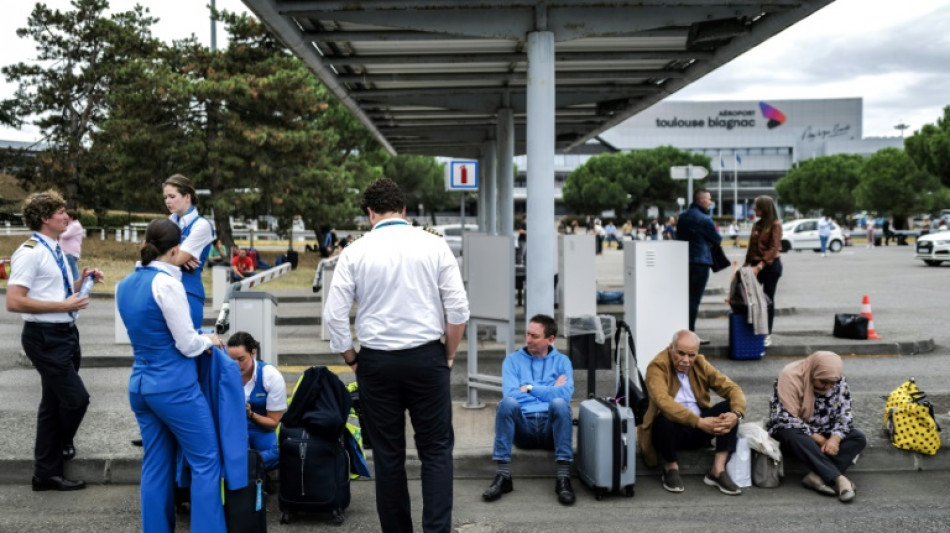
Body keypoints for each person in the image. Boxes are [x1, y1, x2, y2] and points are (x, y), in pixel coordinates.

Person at [324, 178, 470, 533]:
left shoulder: (355, 251)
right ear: (404, 210)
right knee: (435, 451)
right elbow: (459, 310)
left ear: (370, 213)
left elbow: (333, 315)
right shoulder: (434, 244)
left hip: (376, 362)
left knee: (389, 457)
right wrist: (447, 355)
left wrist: (351, 358)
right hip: (426, 358)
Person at [116, 218, 228, 532]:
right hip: (174, 387)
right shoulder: (167, 283)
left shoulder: (124, 284)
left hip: (140, 384)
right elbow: (187, 343)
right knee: (206, 460)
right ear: (176, 248)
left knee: (155, 465)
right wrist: (209, 339)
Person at [6, 190, 103, 491]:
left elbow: (52, 290)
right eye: (61, 212)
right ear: (45, 218)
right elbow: (14, 301)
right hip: (44, 337)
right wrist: (63, 306)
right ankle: (60, 445)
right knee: (76, 399)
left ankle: (46, 473)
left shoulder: (55, 248)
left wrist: (82, 281)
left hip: (65, 334)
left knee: (52, 404)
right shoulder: (30, 251)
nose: (67, 216)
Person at [638, 330, 747, 496]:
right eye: (680, 353)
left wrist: (737, 414)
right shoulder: (657, 366)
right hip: (670, 433)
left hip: (699, 429)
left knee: (728, 409)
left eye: (691, 355)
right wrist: (699, 422)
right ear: (670, 349)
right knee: (664, 418)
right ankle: (670, 466)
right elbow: (663, 401)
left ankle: (717, 470)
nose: (685, 360)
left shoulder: (700, 363)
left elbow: (732, 388)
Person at [482, 314, 575, 506]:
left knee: (559, 404)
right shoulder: (512, 360)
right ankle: (503, 476)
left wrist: (530, 388)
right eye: (528, 334)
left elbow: (565, 396)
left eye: (535, 336)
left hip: (551, 430)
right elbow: (511, 393)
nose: (528, 339)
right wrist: (551, 389)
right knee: (507, 403)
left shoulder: (563, 361)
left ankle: (563, 479)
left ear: (550, 339)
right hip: (524, 428)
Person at [767, 351, 866, 503]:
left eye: (832, 383)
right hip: (795, 430)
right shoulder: (790, 377)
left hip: (825, 431)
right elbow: (784, 417)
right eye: (823, 381)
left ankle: (816, 477)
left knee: (857, 438)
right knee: (791, 434)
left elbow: (845, 415)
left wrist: (834, 439)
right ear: (813, 373)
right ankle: (840, 479)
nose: (828, 386)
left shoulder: (838, 381)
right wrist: (820, 439)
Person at [227, 331, 286, 471]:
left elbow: (273, 423)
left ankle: (244, 468)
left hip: (261, 429)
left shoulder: (271, 376)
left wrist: (251, 415)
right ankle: (254, 469)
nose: (236, 365)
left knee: (278, 453)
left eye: (241, 359)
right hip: (233, 429)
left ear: (253, 353)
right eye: (231, 360)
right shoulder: (223, 373)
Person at [163, 174, 215, 330]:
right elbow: (146, 252)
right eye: (165, 197)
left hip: (188, 292)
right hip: (165, 291)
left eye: (172, 196)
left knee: (188, 349)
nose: (167, 201)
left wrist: (164, 254)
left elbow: (177, 259)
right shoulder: (168, 222)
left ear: (187, 196)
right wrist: (175, 256)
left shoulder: (201, 225)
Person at [676, 189, 722, 340]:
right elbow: (717, 239)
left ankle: (682, 332)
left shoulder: (682, 217)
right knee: (694, 299)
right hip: (700, 262)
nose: (710, 202)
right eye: (709, 199)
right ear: (701, 200)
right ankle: (690, 335)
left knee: (684, 298)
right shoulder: (704, 219)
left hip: (683, 261)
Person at [743, 195, 783, 347]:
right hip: (754, 265)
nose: (754, 209)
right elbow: (751, 248)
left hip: (770, 266)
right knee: (750, 298)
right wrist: (746, 265)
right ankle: (753, 329)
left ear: (764, 209)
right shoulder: (757, 225)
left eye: (757, 207)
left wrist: (760, 266)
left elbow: (773, 249)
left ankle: (767, 333)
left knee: (767, 300)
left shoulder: (775, 225)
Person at [60, 209, 84, 282]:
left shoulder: (75, 226)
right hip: (67, 252)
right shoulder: (71, 225)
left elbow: (65, 235)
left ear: (71, 217)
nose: (64, 218)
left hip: (70, 252)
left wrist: (58, 232)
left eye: (66, 217)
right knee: (70, 271)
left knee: (74, 273)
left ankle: (78, 289)